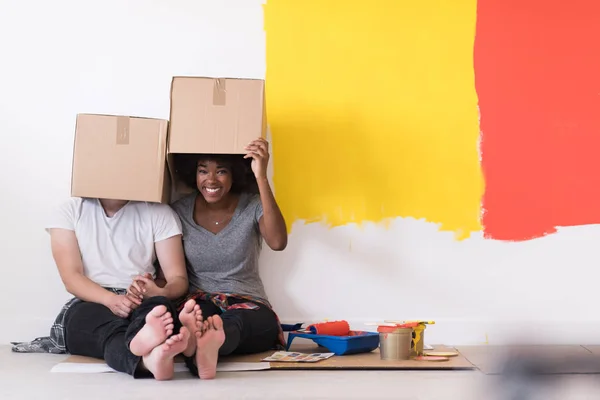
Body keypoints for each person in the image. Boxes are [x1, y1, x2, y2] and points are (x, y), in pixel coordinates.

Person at [136, 137, 288, 379]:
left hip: (247, 301)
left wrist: (261, 176)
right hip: (198, 301)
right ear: (193, 174)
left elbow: (278, 242)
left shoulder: (253, 205)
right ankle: (202, 343)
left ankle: (204, 343)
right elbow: (169, 271)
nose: (211, 180)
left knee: (254, 323)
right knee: (199, 317)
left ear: (235, 174)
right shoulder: (178, 211)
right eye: (203, 170)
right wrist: (155, 287)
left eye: (222, 171)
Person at [13, 197, 203, 380]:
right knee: (104, 328)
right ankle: (147, 355)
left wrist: (159, 291)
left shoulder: (159, 212)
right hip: (92, 299)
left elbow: (177, 279)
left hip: (141, 298)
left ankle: (152, 350)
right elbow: (71, 278)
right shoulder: (70, 210)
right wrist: (111, 300)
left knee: (160, 307)